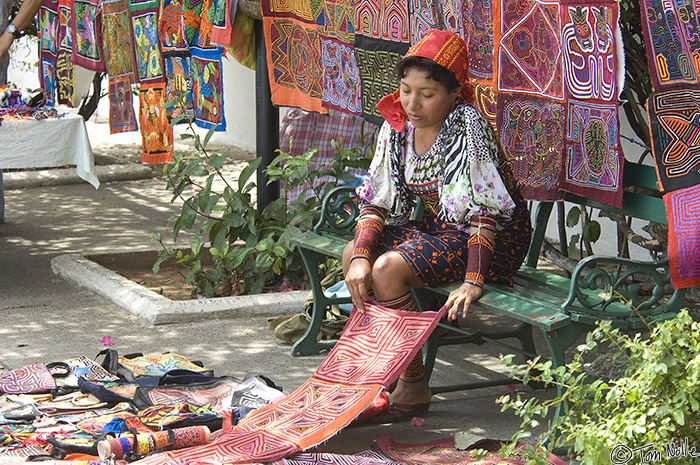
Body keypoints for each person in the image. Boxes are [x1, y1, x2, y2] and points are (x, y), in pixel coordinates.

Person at [342, 29, 532, 423]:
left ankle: (413, 383)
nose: (411, 103)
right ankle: (376, 372)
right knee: (355, 256)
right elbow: (378, 199)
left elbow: (483, 210)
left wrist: (473, 280)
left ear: (453, 94)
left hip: (490, 240)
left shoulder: (466, 127)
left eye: (426, 94)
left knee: (387, 269)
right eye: (406, 89)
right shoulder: (397, 127)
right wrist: (359, 254)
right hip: (440, 229)